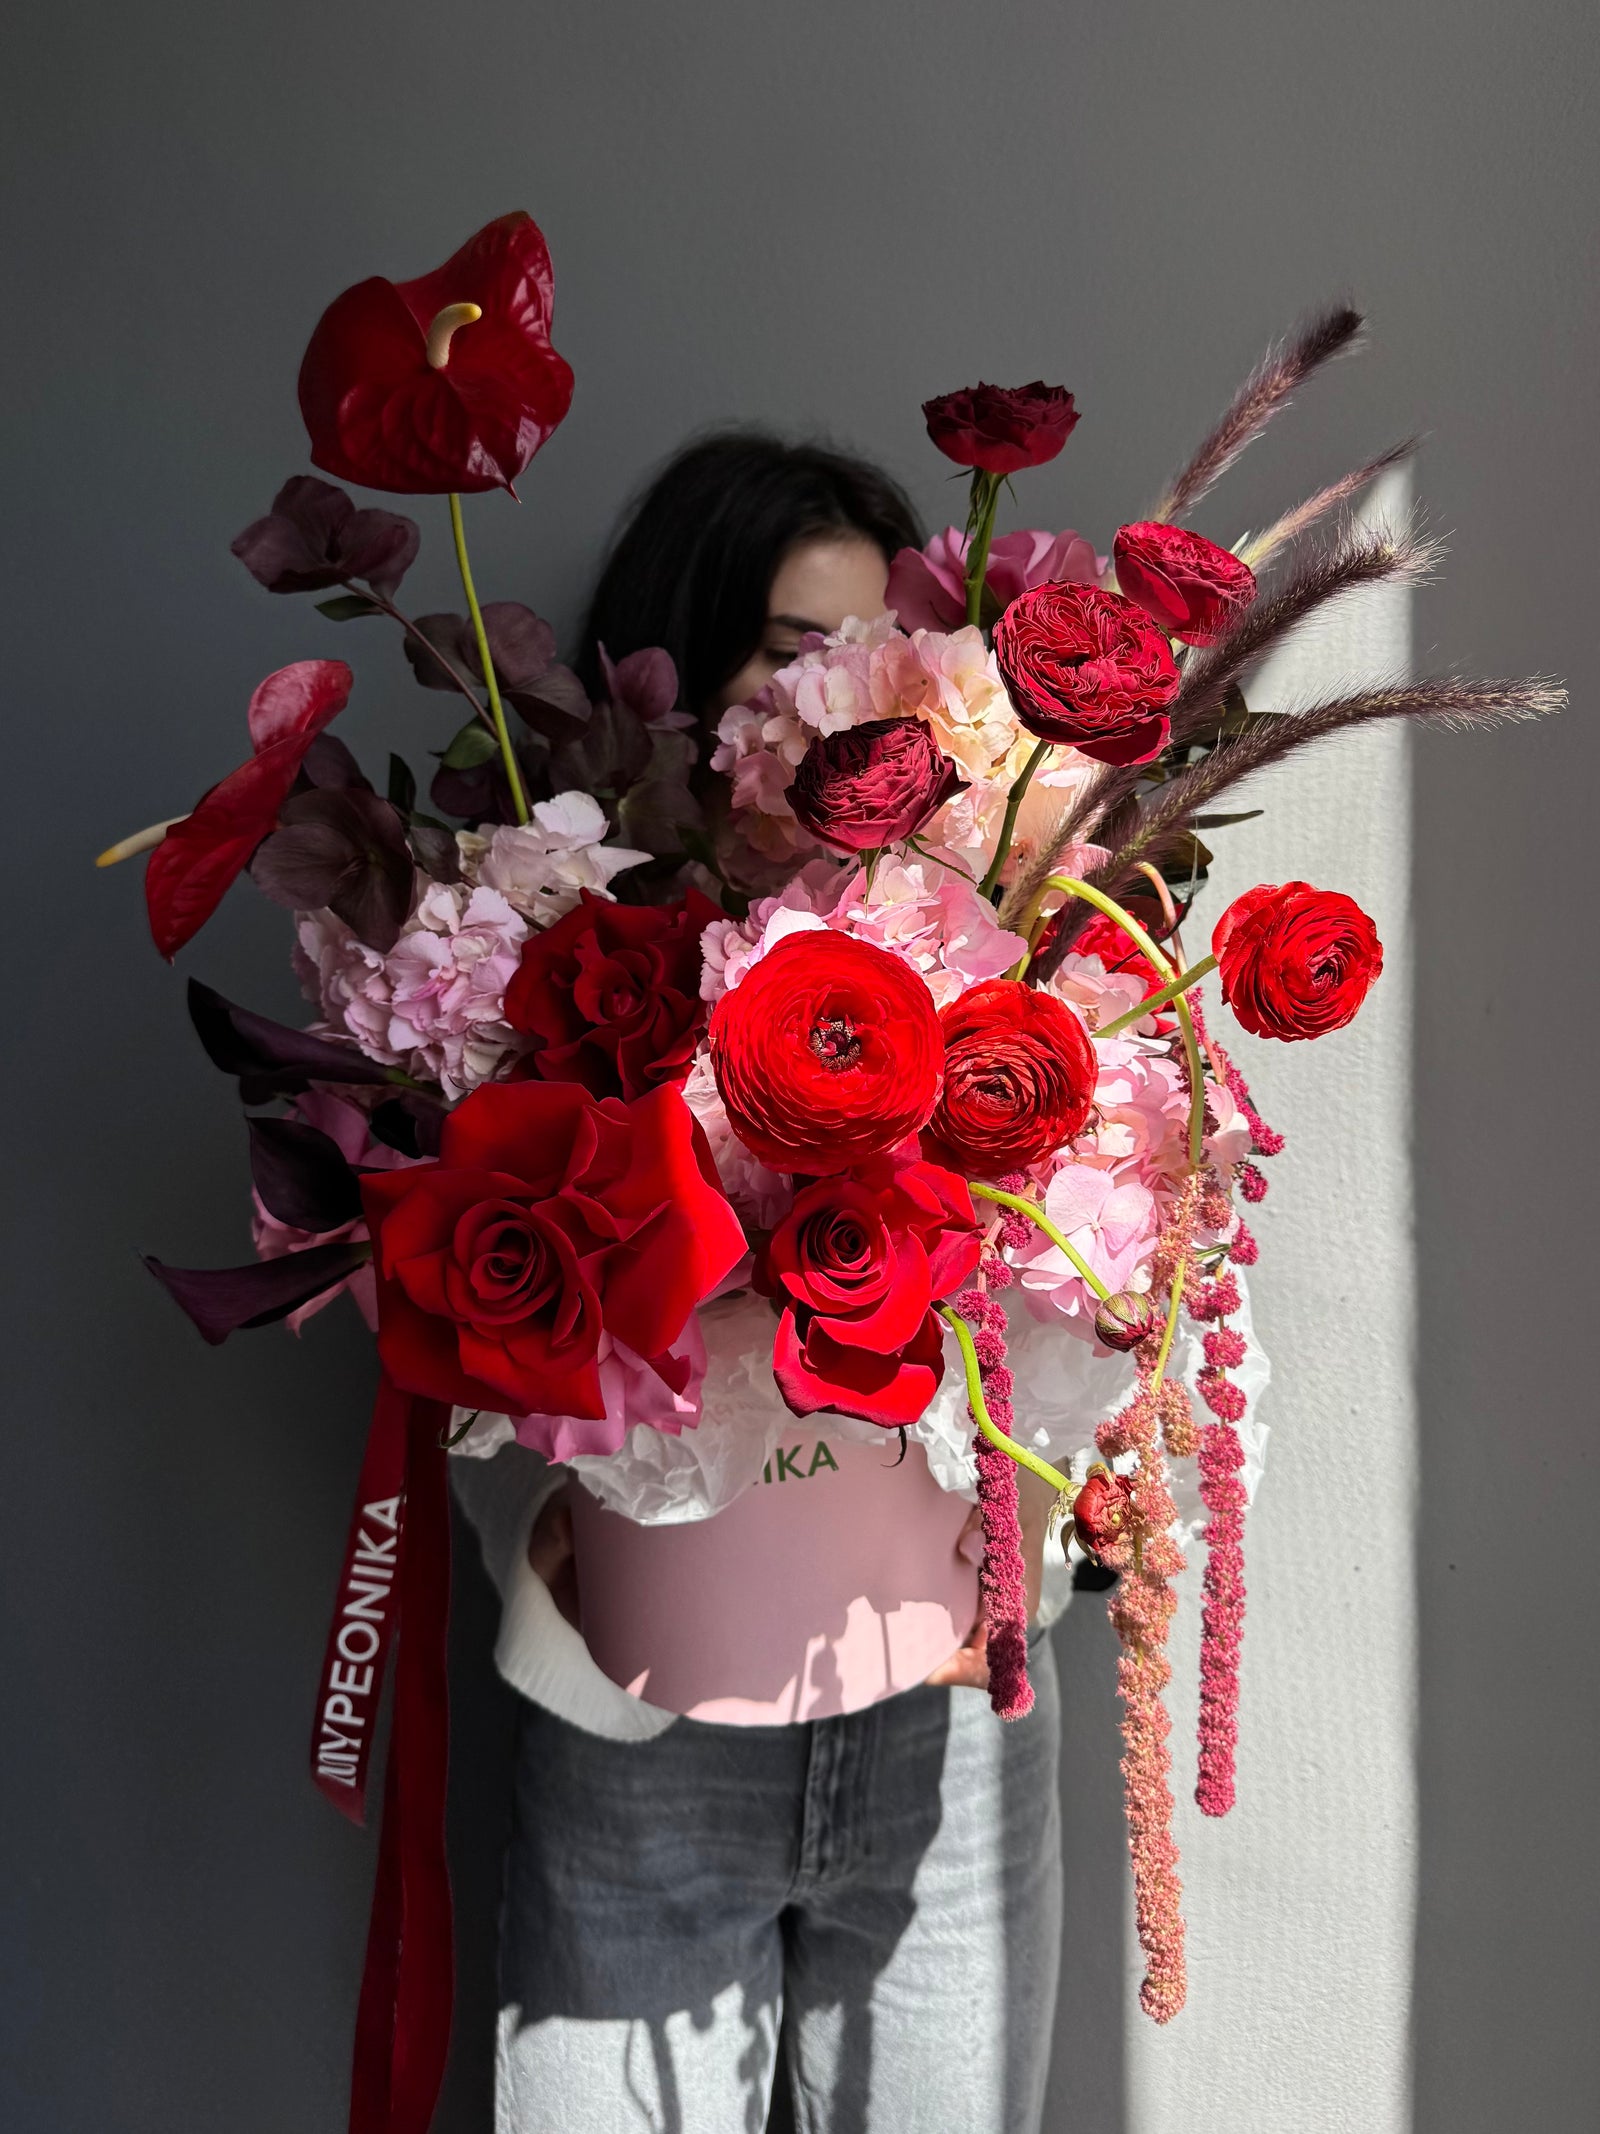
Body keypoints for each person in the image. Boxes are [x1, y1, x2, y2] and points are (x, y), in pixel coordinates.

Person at [452, 432, 1064, 2134]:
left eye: (877, 658)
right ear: (679, 667)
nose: (836, 707)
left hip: (946, 1732)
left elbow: (1091, 1304)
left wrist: (1044, 1544)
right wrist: (548, 1537)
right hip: (644, 1724)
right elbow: (466, 1322)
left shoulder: (1009, 946)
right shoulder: (559, 962)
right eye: (792, 655)